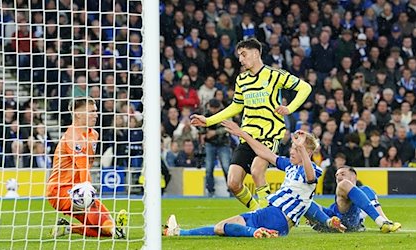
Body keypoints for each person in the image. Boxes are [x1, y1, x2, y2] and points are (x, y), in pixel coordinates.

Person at [191, 38, 312, 211]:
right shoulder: (241, 80)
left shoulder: (274, 75)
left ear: (256, 53)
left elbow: (305, 88)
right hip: (246, 136)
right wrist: (209, 120)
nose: (240, 59)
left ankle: (266, 216)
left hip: (269, 135)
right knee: (233, 183)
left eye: (243, 54)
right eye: (239, 55)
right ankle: (259, 211)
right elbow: (236, 106)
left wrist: (290, 108)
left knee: (256, 171)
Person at [164, 122, 341, 238]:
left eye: (296, 148)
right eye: (293, 148)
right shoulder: (290, 166)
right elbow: (265, 152)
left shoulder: (313, 170)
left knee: (223, 227)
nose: (292, 151)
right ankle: (179, 232)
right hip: (276, 220)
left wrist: (302, 148)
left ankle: (255, 232)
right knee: (220, 228)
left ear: (307, 153)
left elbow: (310, 178)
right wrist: (243, 134)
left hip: (276, 215)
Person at [46, 97, 126, 238]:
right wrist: (87, 189)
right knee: (96, 213)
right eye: (91, 111)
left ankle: (69, 228)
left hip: (77, 187)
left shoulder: (93, 134)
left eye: (96, 111)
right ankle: (115, 230)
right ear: (77, 114)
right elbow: (83, 167)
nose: (96, 114)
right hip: (60, 190)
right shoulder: (72, 137)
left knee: (103, 228)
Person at [305, 166, 401, 233]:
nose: (338, 177)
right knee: (303, 200)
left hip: (350, 218)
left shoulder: (366, 191)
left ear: (353, 177)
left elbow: (375, 205)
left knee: (362, 188)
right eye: (336, 175)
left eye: (342, 174)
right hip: (333, 216)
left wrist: (386, 220)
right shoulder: (342, 189)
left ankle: (383, 222)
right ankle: (326, 224)